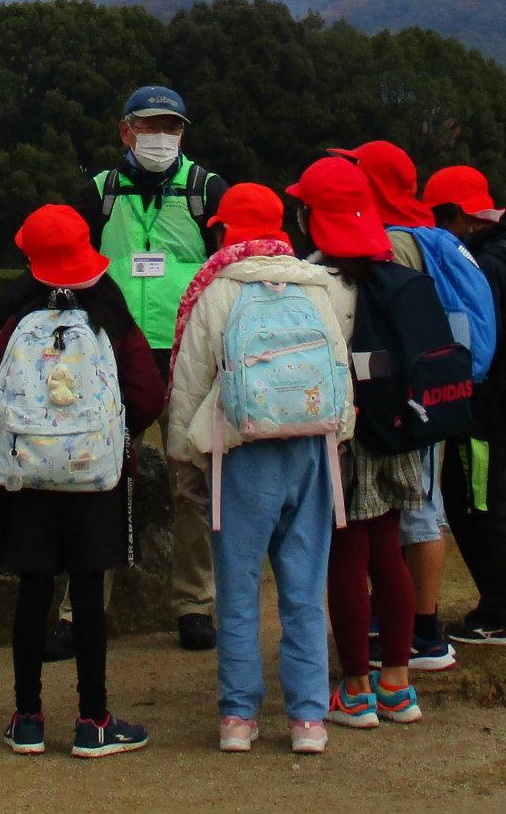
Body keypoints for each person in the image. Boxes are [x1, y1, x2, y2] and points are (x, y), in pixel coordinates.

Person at [0, 84, 229, 653]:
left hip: (187, 351)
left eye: (172, 126)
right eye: (149, 125)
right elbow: (57, 258)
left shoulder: (207, 191)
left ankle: (195, 603)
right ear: (125, 130)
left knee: (193, 482)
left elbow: (228, 263)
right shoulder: (101, 193)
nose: (161, 136)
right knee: (93, 474)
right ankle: (76, 613)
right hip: (110, 350)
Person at [0, 204, 162, 759]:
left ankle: (26, 717)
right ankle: (94, 719)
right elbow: (147, 395)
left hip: (28, 481)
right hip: (94, 480)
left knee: (33, 593)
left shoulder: (20, 320)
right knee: (85, 592)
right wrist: (109, 434)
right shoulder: (111, 311)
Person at [168, 183, 352, 754]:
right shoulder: (317, 286)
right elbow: (337, 370)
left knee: (238, 588)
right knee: (304, 587)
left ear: (227, 230)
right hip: (311, 451)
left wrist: (185, 457)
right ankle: (307, 719)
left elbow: (190, 382)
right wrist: (338, 439)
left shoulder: (216, 290)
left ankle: (238, 718)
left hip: (240, 452)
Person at [285, 157, 425, 731]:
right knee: (390, 555)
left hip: (345, 438)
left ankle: (356, 687)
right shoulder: (395, 270)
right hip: (401, 432)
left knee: (347, 558)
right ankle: (398, 683)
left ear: (311, 216)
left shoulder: (314, 280)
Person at [336, 141, 478, 674]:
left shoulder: (394, 241)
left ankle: (423, 631)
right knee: (421, 507)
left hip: (403, 396)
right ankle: (415, 625)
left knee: (418, 513)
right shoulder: (427, 234)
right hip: (431, 385)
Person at [422, 164, 506, 646]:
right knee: (493, 498)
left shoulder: (482, 265)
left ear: (455, 214)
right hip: (505, 402)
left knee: (476, 504)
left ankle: (498, 614)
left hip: (484, 406)